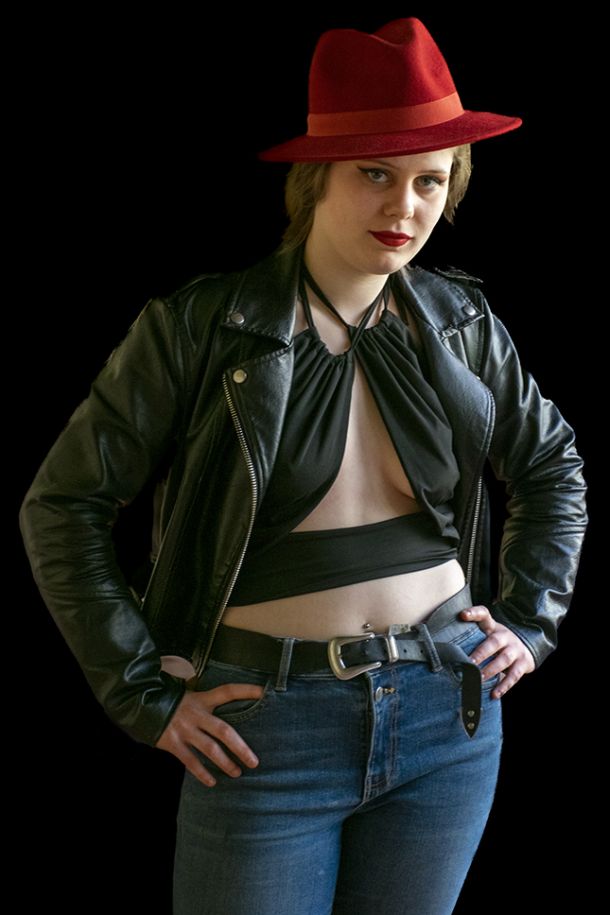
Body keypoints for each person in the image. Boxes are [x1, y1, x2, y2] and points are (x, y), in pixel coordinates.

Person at [20, 16, 587, 915]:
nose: (405, 208)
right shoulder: (202, 326)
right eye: (376, 173)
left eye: (430, 180)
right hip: (267, 730)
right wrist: (140, 693)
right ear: (316, 176)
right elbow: (63, 504)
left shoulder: (460, 323)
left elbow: (552, 463)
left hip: (448, 714)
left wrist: (530, 618)